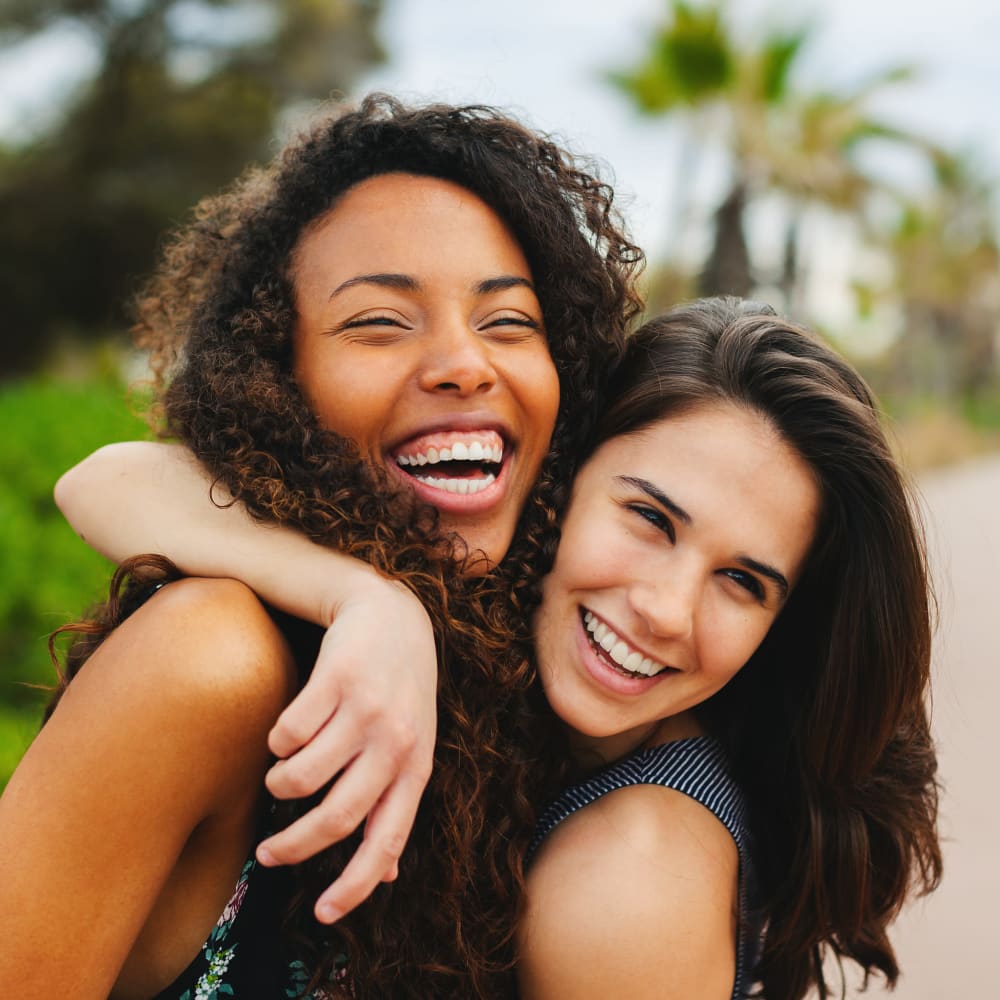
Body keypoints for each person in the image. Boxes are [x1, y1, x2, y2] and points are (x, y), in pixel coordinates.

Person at [53, 297, 941, 999]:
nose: (668, 611)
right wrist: (369, 601)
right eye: (648, 518)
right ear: (563, 477)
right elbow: (106, 478)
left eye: (743, 582)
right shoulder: (485, 631)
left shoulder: (628, 877)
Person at [0, 93, 642, 998]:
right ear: (276, 382)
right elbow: (103, 474)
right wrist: (367, 599)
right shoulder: (214, 661)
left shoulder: (531, 665)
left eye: (509, 322)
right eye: (379, 322)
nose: (465, 362)